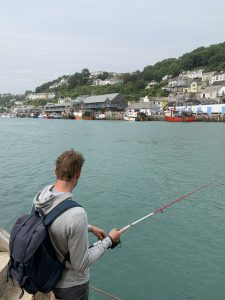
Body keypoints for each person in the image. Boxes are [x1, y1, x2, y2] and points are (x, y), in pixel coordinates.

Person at [33, 149, 123, 300]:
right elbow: (80, 264)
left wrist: (88, 228)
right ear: (78, 175)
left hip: (48, 277)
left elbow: (51, 224)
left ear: (56, 171)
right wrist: (109, 241)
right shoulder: (77, 214)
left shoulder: (41, 198)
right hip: (71, 287)